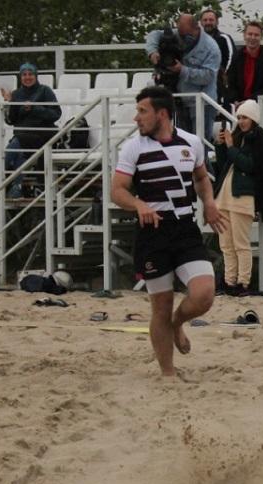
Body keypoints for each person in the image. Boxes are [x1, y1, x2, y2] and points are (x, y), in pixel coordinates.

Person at [110, 86, 227, 378]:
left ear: (162, 113)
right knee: (160, 307)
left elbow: (201, 178)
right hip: (152, 234)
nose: (136, 118)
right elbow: (117, 191)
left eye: (142, 111)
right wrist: (138, 205)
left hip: (185, 228)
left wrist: (209, 203)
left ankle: (178, 323)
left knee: (204, 295)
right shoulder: (133, 147)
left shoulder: (190, 142)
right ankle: (168, 374)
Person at [214, 99, 263, 296]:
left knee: (241, 244)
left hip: (243, 196)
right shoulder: (238, 137)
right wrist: (221, 146)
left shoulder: (261, 140)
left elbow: (250, 165)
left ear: (253, 118)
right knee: (226, 244)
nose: (241, 121)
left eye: (244, 117)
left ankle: (243, 283)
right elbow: (223, 164)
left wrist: (230, 147)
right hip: (225, 195)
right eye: (239, 118)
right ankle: (229, 281)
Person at [0, 63, 61, 199]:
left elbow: (56, 114)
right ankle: (16, 188)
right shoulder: (16, 94)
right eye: (24, 74)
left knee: (17, 142)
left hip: (43, 135)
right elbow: (11, 120)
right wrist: (10, 103)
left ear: (36, 76)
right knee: (19, 149)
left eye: (30, 74)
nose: (27, 77)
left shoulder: (45, 90)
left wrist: (35, 108)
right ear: (20, 77)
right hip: (23, 136)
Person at [145, 13, 220, 138]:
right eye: (180, 34)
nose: (182, 39)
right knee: (183, 142)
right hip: (181, 99)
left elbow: (208, 76)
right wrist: (153, 51)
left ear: (195, 28)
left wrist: (182, 70)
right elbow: (154, 35)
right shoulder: (178, 34)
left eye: (185, 35)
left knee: (200, 143)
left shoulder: (211, 47)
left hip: (203, 102)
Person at [226, 20, 263, 105]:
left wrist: (249, 101)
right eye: (250, 34)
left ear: (261, 37)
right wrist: (235, 100)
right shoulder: (237, 56)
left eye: (256, 35)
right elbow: (231, 82)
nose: (252, 37)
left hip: (259, 103)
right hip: (237, 103)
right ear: (244, 36)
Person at [199, 8, 234, 106]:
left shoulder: (224, 38)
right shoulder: (195, 40)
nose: (208, 22)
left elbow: (231, 58)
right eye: (205, 20)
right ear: (201, 22)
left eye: (211, 20)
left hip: (220, 82)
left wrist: (224, 74)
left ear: (217, 22)